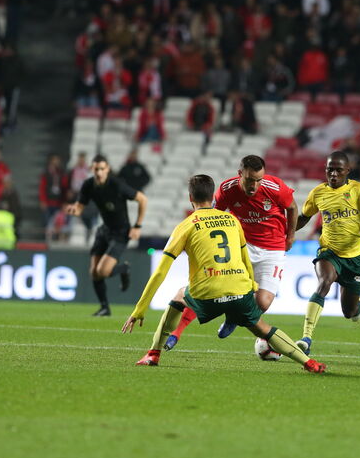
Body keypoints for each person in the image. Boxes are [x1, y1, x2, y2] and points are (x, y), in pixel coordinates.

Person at [121, 174, 325, 374]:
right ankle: (309, 363)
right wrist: (252, 288)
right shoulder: (232, 220)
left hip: (208, 294)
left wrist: (139, 310)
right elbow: (244, 258)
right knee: (264, 329)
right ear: (213, 197)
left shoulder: (185, 226)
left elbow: (160, 272)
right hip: (240, 292)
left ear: (190, 198)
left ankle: (153, 354)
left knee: (179, 296)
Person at [165, 155, 298, 348]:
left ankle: (232, 319)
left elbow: (293, 207)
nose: (254, 186)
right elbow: (211, 216)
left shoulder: (275, 188)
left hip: (273, 249)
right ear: (239, 174)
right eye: (250, 180)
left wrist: (290, 236)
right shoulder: (227, 190)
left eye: (258, 180)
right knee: (209, 289)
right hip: (241, 246)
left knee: (262, 302)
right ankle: (176, 333)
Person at [293, 151, 360, 354]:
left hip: (356, 258)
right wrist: (284, 231)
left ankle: (357, 305)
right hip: (329, 252)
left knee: (349, 311)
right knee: (324, 282)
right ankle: (306, 338)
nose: (333, 174)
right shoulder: (318, 193)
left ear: (347, 170)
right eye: (330, 169)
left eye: (338, 170)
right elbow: (303, 217)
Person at [65, 155, 147, 317]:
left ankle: (124, 269)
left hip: (121, 232)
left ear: (107, 169)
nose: (99, 172)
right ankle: (105, 308)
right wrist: (74, 210)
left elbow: (142, 199)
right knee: (93, 272)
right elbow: (80, 207)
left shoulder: (116, 185)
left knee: (102, 271)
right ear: (91, 169)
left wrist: (137, 226)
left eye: (102, 169)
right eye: (96, 169)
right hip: (104, 230)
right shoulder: (88, 185)